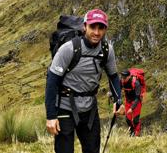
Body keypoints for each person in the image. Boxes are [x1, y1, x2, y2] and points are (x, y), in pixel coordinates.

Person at [45, 9, 124, 153]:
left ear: (105, 29)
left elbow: (113, 76)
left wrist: (118, 101)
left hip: (90, 109)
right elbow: (52, 81)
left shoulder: (107, 50)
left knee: (92, 150)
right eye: (93, 27)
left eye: (101, 28)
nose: (96, 32)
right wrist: (51, 116)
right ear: (84, 27)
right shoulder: (69, 49)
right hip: (65, 107)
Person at [121, 69, 143, 136]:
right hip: (128, 101)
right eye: (122, 77)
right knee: (128, 120)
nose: (123, 79)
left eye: (125, 78)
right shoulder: (121, 81)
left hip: (136, 102)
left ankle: (137, 134)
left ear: (129, 76)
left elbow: (137, 97)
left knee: (135, 120)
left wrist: (132, 108)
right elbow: (117, 89)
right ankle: (132, 132)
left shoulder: (136, 83)